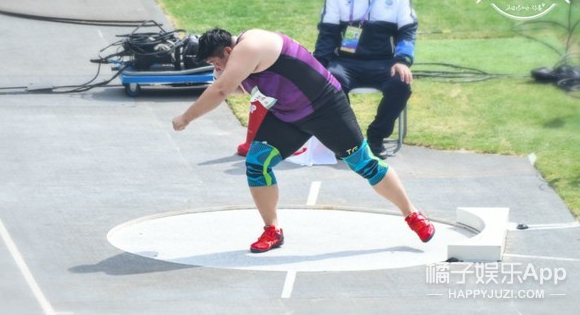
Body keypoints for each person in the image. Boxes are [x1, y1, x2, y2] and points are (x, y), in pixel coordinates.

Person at [172, 28, 434, 253]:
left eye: (217, 63)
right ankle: (272, 230)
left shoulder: (250, 45)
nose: (217, 69)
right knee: (257, 162)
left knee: (363, 163)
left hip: (326, 109)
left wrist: (186, 117)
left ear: (228, 51)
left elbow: (221, 90)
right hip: (287, 114)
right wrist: (224, 75)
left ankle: (412, 214)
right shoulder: (239, 59)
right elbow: (240, 89)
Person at [313, 0, 417, 159]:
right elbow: (328, 34)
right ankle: (349, 141)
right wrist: (319, 66)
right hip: (346, 63)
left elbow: (407, 31)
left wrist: (402, 61)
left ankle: (376, 137)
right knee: (331, 82)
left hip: (385, 62)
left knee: (402, 82)